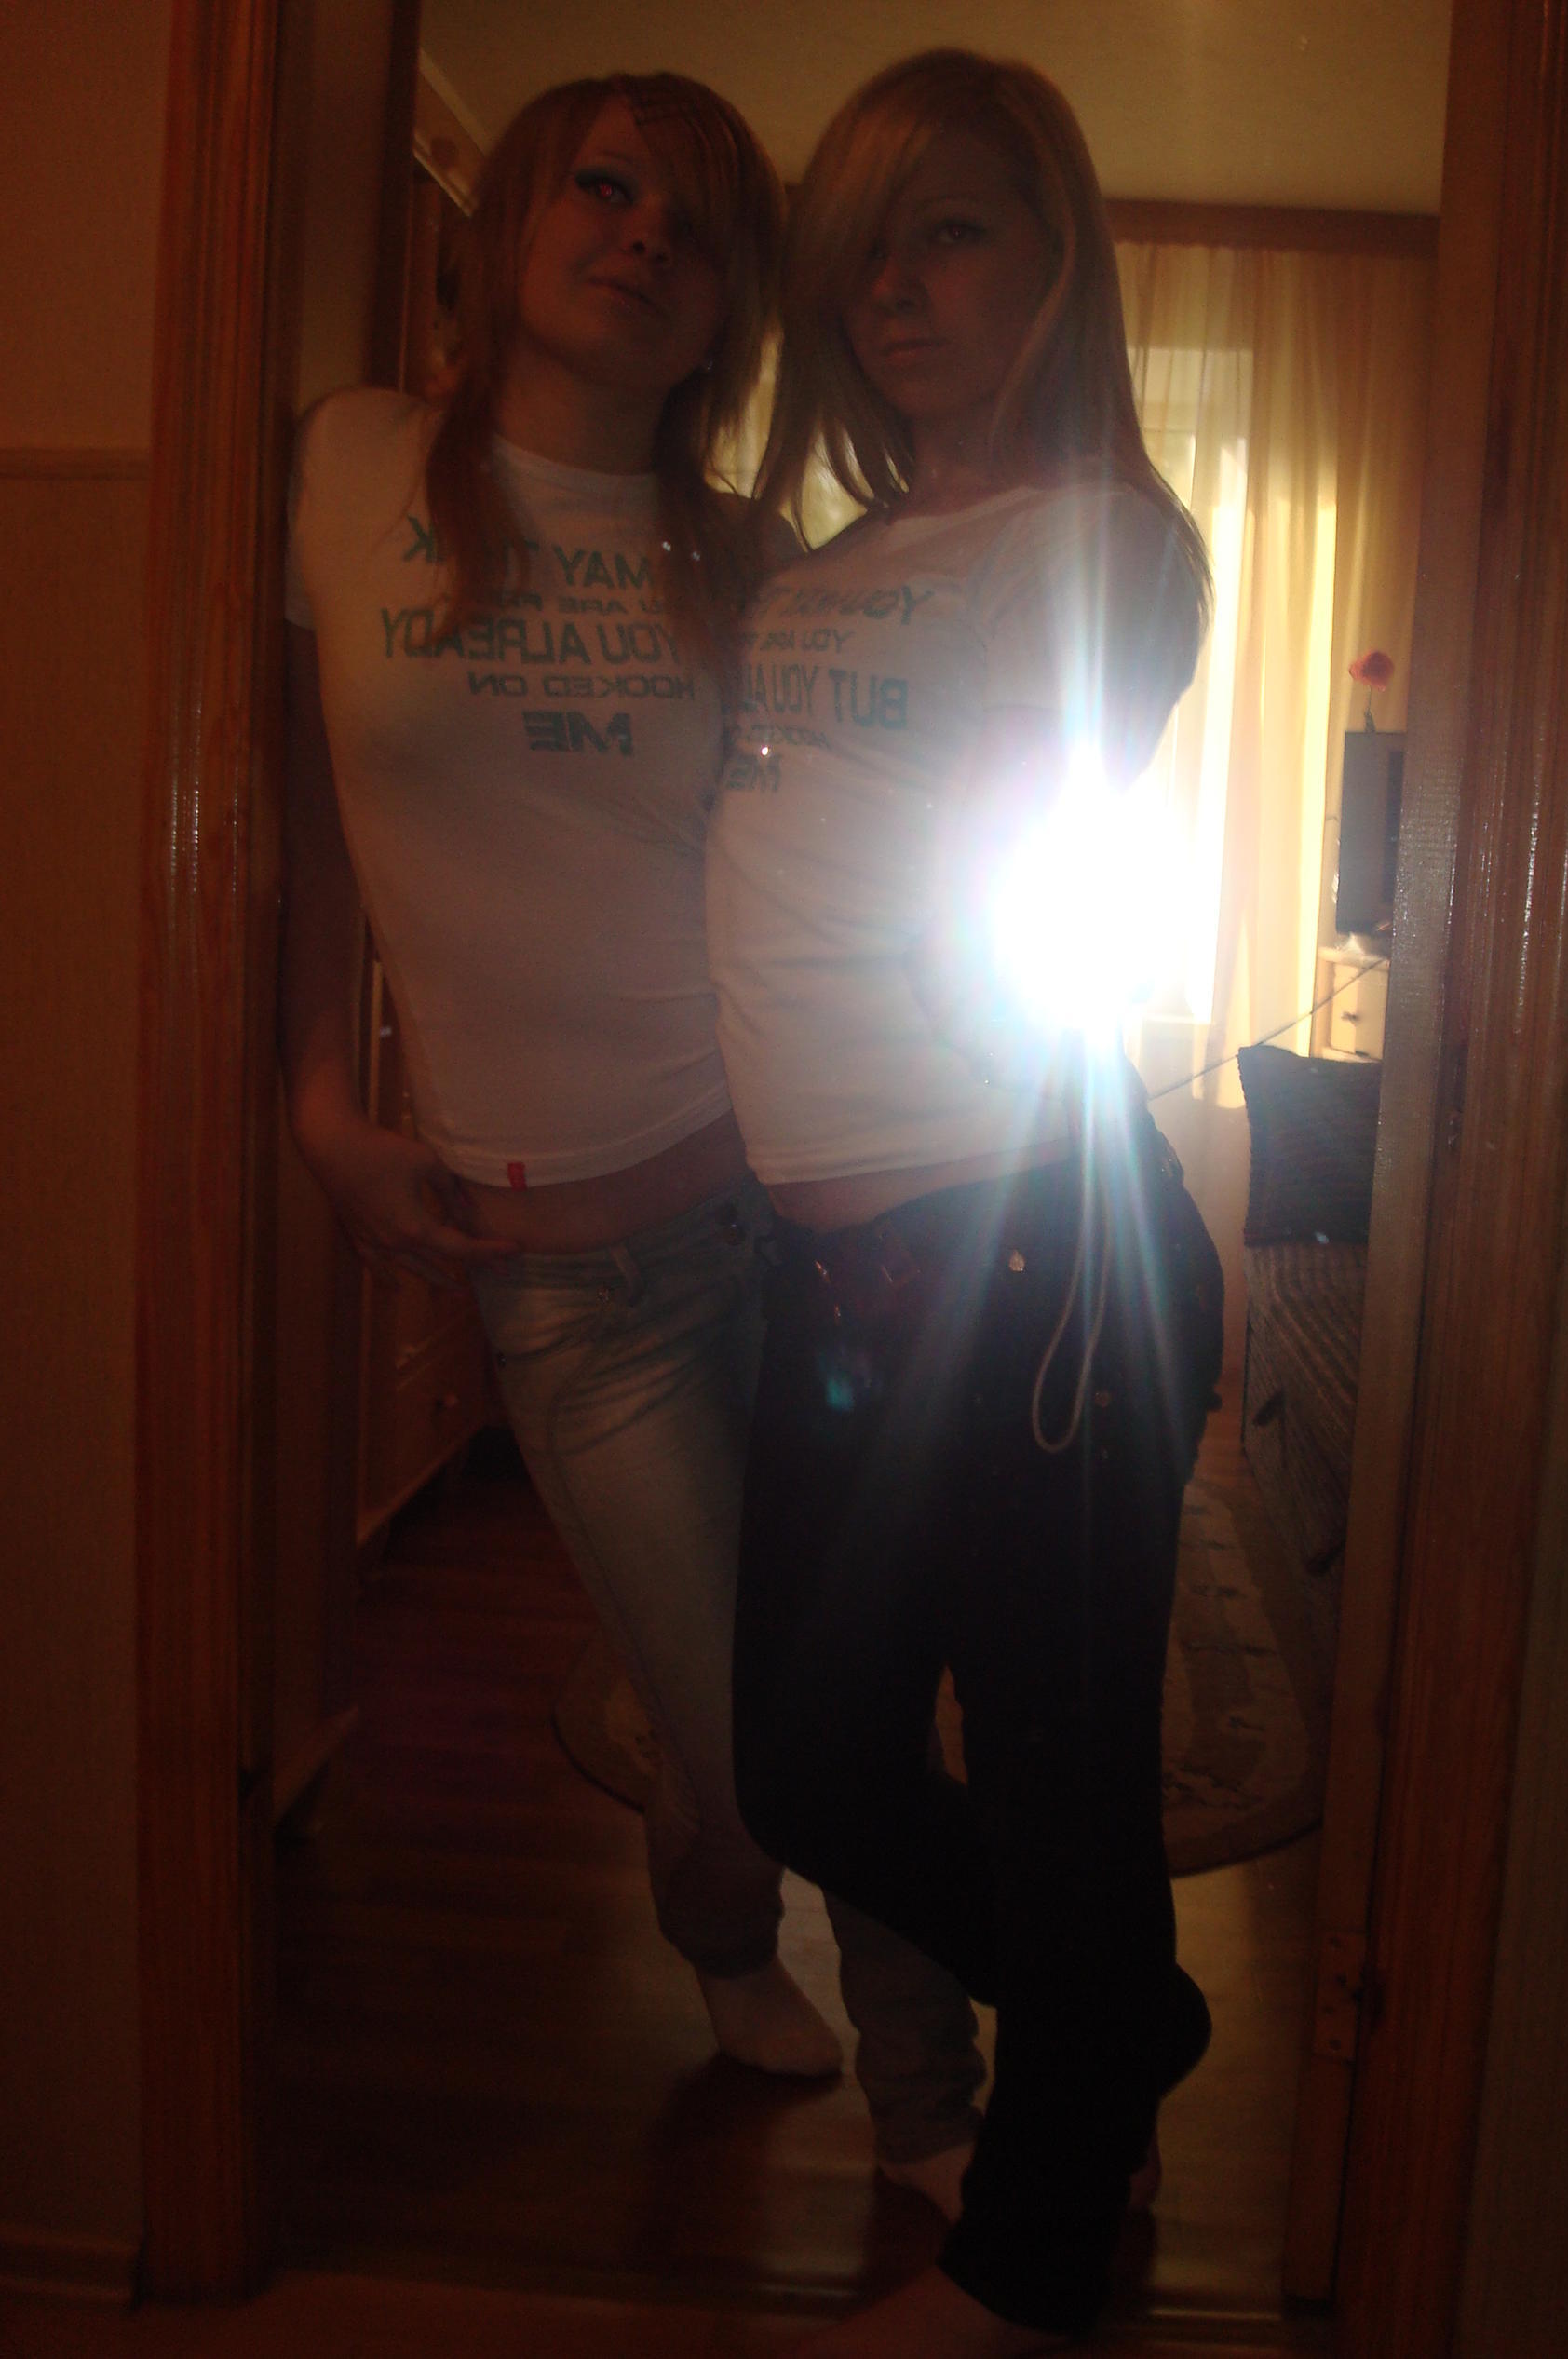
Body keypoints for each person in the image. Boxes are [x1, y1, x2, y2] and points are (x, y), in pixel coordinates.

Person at [280, 70, 986, 2186]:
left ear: (729, 315)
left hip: (795, 1211)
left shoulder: (748, 557)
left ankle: (937, 2107)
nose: (642, 239)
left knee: (846, 1694)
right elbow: (284, 821)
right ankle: (738, 1933)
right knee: (755, 1736)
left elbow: (823, 870)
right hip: (571, 1283)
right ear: (511, 215)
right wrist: (317, 1101)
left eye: (695, 228)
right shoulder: (342, 465)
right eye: (603, 188)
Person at [706, 50, 1221, 2356]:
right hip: (829, 1262)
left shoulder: (1105, 539)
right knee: (803, 1757)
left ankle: (1025, 2261)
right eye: (863, 250)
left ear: (1053, 258)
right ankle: (1115, 2028)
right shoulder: (822, 565)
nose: (894, 287)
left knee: (1051, 1787)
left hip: (1028, 1249)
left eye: (950, 232)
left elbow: (1020, 810)